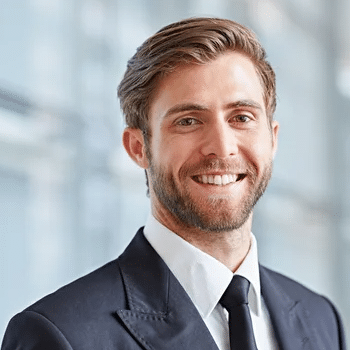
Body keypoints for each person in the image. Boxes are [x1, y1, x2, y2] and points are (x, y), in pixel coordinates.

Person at [1, 17, 346, 350]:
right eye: (189, 120)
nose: (221, 146)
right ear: (139, 148)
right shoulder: (60, 335)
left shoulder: (321, 317)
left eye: (241, 117)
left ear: (272, 139)